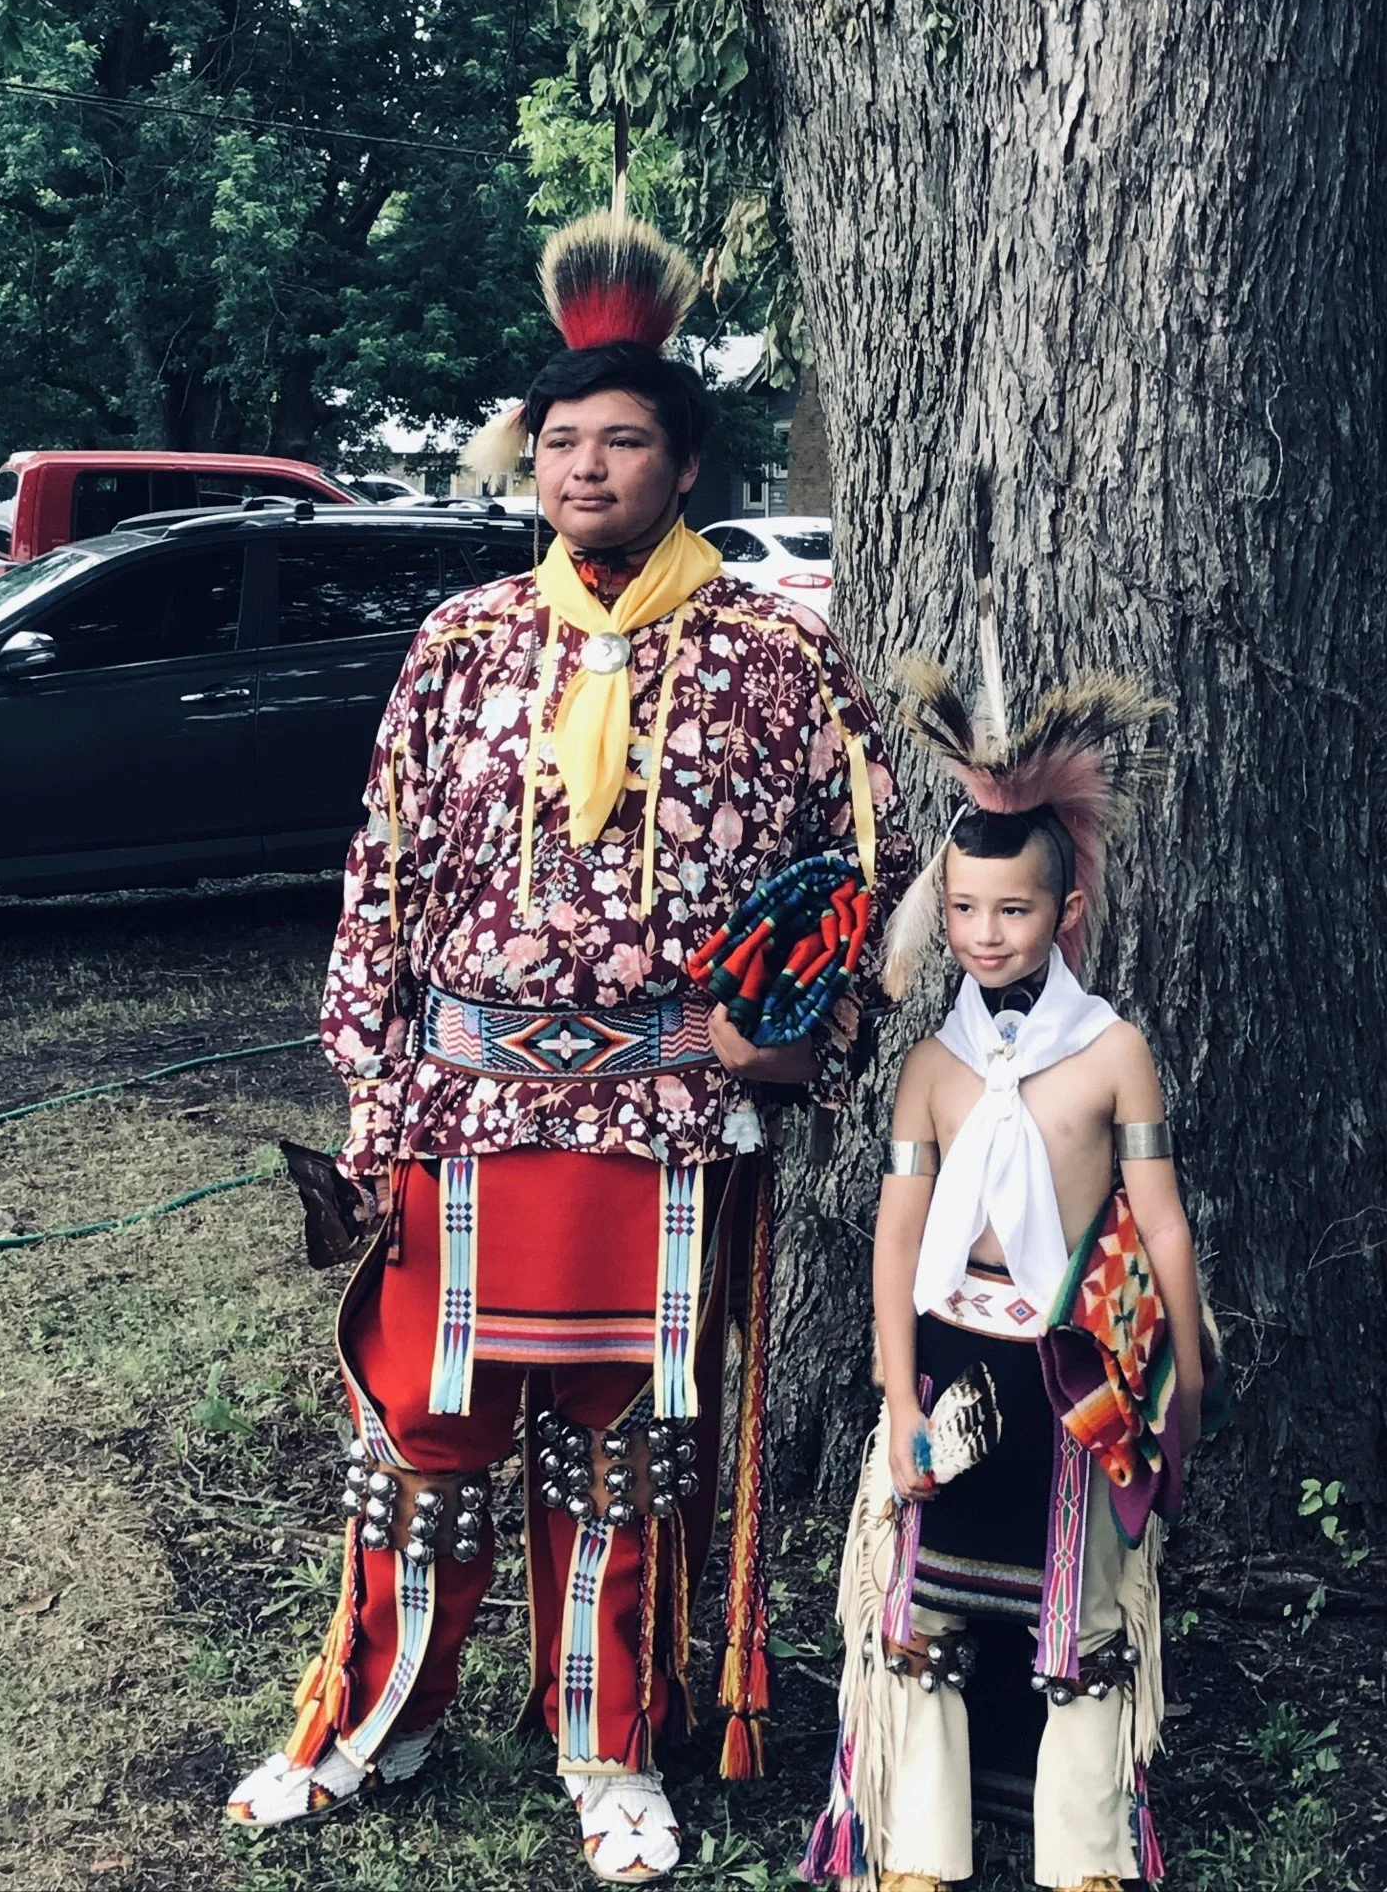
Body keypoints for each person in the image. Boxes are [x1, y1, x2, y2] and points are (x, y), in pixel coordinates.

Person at [226, 212, 911, 1883]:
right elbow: (382, 873)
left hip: (672, 1117)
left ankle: (609, 1749)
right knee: (422, 1428)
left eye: (619, 440)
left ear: (684, 459)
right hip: (461, 1105)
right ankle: (367, 1722)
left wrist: (798, 1036)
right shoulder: (460, 648)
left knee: (625, 1447)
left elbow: (864, 879)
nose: (582, 466)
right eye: (557, 442)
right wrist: (375, 1096)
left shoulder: (777, 651)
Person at [802, 662, 1208, 1892]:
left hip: (1070, 1368)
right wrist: (898, 1395)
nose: (985, 934)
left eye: (1013, 912)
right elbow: (893, 1238)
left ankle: (1083, 1855)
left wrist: (1187, 1371)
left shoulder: (1112, 1053)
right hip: (950, 1359)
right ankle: (918, 1847)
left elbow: (1164, 1225)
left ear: (1065, 911)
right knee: (915, 1612)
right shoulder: (932, 1063)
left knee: (1078, 1619)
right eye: (966, 909)